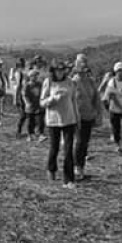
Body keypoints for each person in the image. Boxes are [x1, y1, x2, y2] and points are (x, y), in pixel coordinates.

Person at [41, 59, 80, 188]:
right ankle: (51, 168)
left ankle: (68, 179)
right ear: (53, 71)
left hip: (69, 119)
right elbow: (42, 102)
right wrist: (53, 99)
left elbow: (73, 100)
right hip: (53, 120)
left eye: (62, 70)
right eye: (58, 70)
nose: (60, 72)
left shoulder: (70, 82)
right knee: (55, 147)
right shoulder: (49, 82)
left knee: (68, 149)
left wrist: (77, 117)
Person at [72, 56, 102, 180]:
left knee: (85, 142)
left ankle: (81, 168)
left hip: (89, 115)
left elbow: (96, 98)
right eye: (81, 68)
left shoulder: (91, 81)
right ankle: (76, 167)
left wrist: (98, 114)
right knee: (79, 142)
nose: (84, 71)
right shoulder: (73, 82)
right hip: (77, 117)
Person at [20, 68, 44, 141]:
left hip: (39, 106)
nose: (36, 77)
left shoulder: (40, 84)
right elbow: (24, 95)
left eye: (36, 75)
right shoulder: (27, 85)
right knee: (31, 122)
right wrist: (27, 103)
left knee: (40, 121)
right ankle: (30, 135)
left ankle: (40, 135)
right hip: (30, 107)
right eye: (34, 76)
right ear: (30, 76)